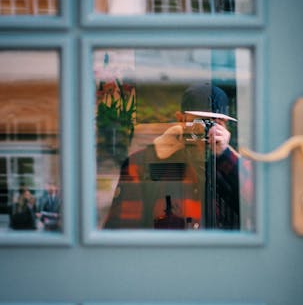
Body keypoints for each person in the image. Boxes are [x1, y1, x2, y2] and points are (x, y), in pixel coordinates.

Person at [103, 83, 245, 230]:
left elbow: (259, 210)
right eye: (199, 122)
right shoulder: (142, 164)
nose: (206, 130)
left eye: (215, 124)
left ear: (226, 126)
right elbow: (123, 231)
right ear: (181, 120)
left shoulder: (234, 166)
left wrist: (224, 155)